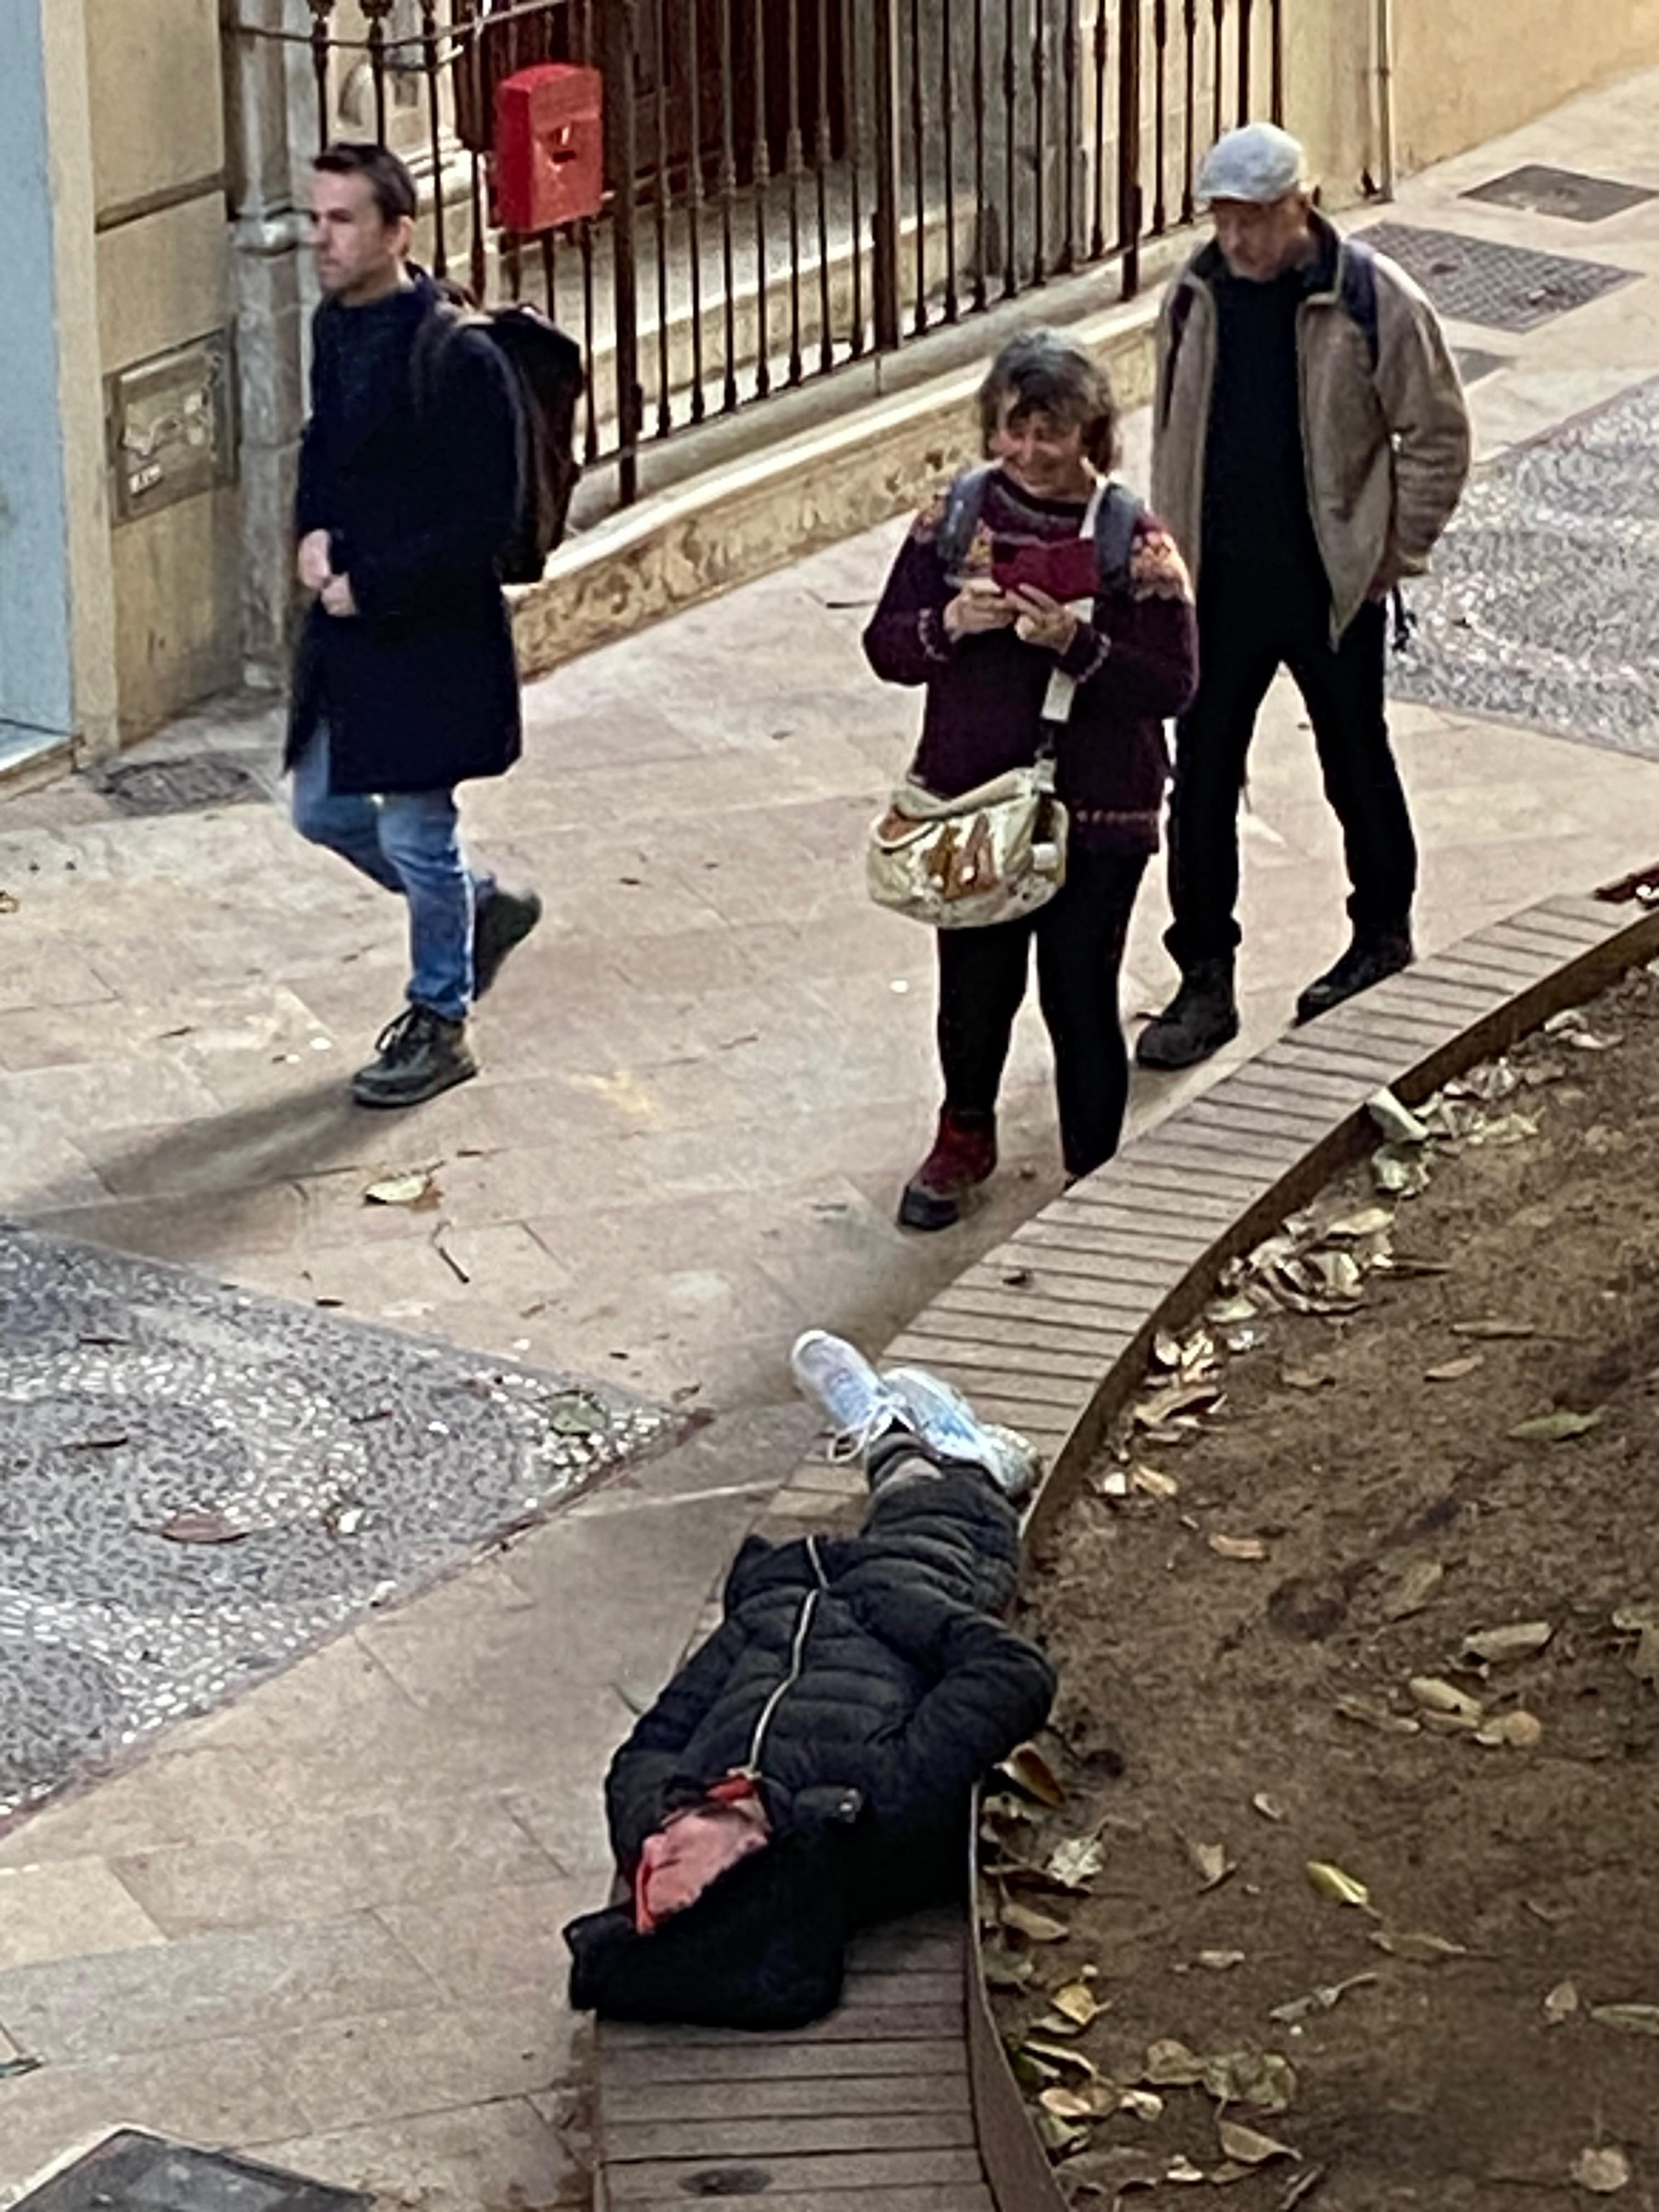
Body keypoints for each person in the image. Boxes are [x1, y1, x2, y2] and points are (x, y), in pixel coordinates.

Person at [563, 1330, 1056, 2030]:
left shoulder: (664, 1811)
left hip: (798, 1595)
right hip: (925, 1586)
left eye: (642, 1871)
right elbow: (1010, 1675)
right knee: (929, 1514)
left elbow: (651, 1743)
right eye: (669, 1874)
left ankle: (905, 1440)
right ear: (749, 1870)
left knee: (875, 1525)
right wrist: (874, 1592)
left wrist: (760, 1619)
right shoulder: (883, 1799)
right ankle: (932, 1449)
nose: (648, 1849)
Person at [1137, 121, 1471, 1072]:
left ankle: (1380, 935)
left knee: (1352, 760)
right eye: (1222, 219)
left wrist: (1388, 551)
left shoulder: (1369, 299)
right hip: (1217, 589)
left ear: (1299, 206)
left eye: (1252, 219)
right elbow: (1171, 428)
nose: (1235, 239)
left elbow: (1437, 434)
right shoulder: (1194, 295)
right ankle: (1203, 977)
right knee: (1197, 783)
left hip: (1329, 584)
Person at [864, 332, 1199, 1231]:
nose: (1027, 453)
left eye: (1048, 433)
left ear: (1088, 434)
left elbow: (1171, 682)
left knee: (1077, 990)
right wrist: (949, 621)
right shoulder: (955, 516)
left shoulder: (1134, 539)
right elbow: (887, 646)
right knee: (972, 986)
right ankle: (960, 1136)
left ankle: (1091, 1168)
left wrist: (1076, 645)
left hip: (1096, 808)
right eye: (1012, 431)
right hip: (975, 800)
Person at [286, 142, 542, 1109]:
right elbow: (324, 443)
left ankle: (440, 1017)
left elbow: (488, 516)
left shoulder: (457, 354)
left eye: (341, 219)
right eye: (315, 218)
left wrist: (373, 585)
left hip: (429, 636)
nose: (321, 238)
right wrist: (312, 531)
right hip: (351, 628)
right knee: (323, 811)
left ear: (398, 231)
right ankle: (478, 909)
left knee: (420, 833)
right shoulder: (332, 326)